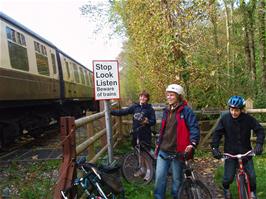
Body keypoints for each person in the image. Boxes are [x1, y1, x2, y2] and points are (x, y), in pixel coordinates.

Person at [211, 96, 265, 199]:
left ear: (241, 109)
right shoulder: (225, 119)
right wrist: (215, 148)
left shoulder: (248, 119)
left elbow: (260, 130)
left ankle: (253, 192)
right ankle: (226, 189)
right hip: (230, 153)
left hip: (246, 153)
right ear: (229, 109)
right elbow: (217, 134)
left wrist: (259, 144)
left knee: (252, 176)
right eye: (231, 109)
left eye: (236, 110)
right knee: (228, 178)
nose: (233, 112)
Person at [154, 84, 200, 199]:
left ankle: (176, 197)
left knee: (177, 180)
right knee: (159, 177)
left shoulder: (186, 111)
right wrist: (158, 143)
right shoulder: (166, 111)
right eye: (168, 95)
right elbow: (163, 129)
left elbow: (194, 127)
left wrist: (192, 143)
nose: (169, 97)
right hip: (163, 150)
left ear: (178, 96)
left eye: (172, 95)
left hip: (178, 151)